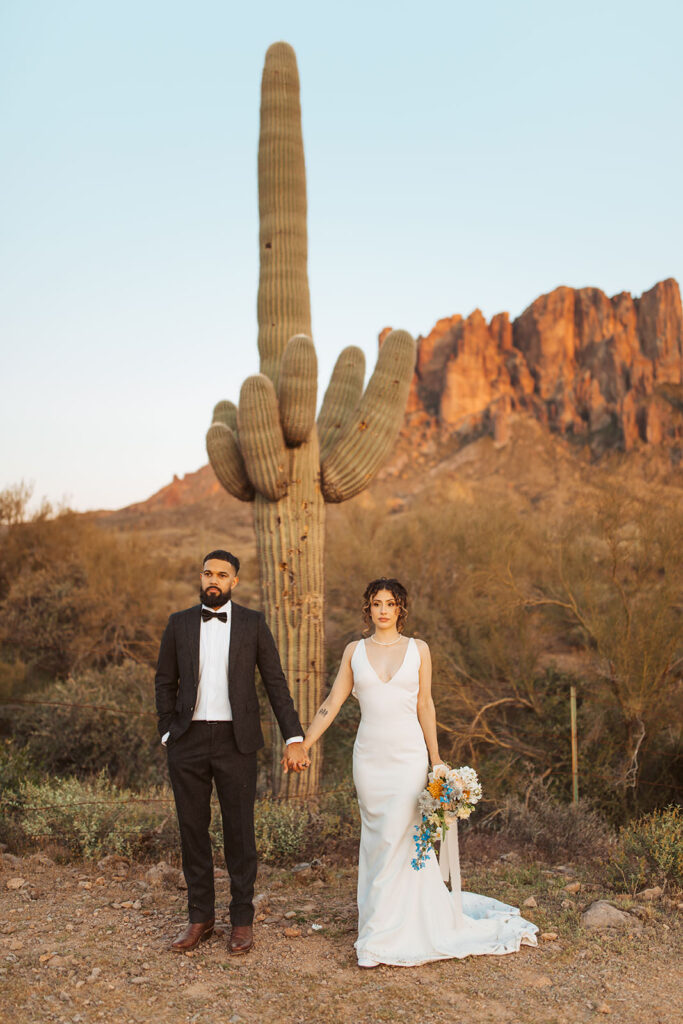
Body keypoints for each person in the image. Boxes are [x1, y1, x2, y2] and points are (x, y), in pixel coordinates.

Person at [299, 577, 538, 968]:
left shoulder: (418, 650)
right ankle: (379, 921)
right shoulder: (354, 652)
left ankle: (388, 933)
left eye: (390, 604)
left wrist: (437, 758)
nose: (382, 610)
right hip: (369, 761)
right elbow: (331, 702)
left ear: (400, 610)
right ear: (368, 609)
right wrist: (305, 743)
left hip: (409, 757)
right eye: (376, 603)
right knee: (378, 840)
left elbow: (425, 704)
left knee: (404, 836)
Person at [155, 549, 310, 955]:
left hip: (236, 742)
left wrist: (294, 735)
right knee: (193, 830)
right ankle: (200, 918)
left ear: (234, 582)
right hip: (187, 741)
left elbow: (275, 682)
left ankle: (241, 921)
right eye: (208, 572)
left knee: (239, 832)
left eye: (222, 575)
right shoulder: (179, 623)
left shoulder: (253, 624)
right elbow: (163, 681)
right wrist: (167, 732)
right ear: (201, 576)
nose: (214, 579)